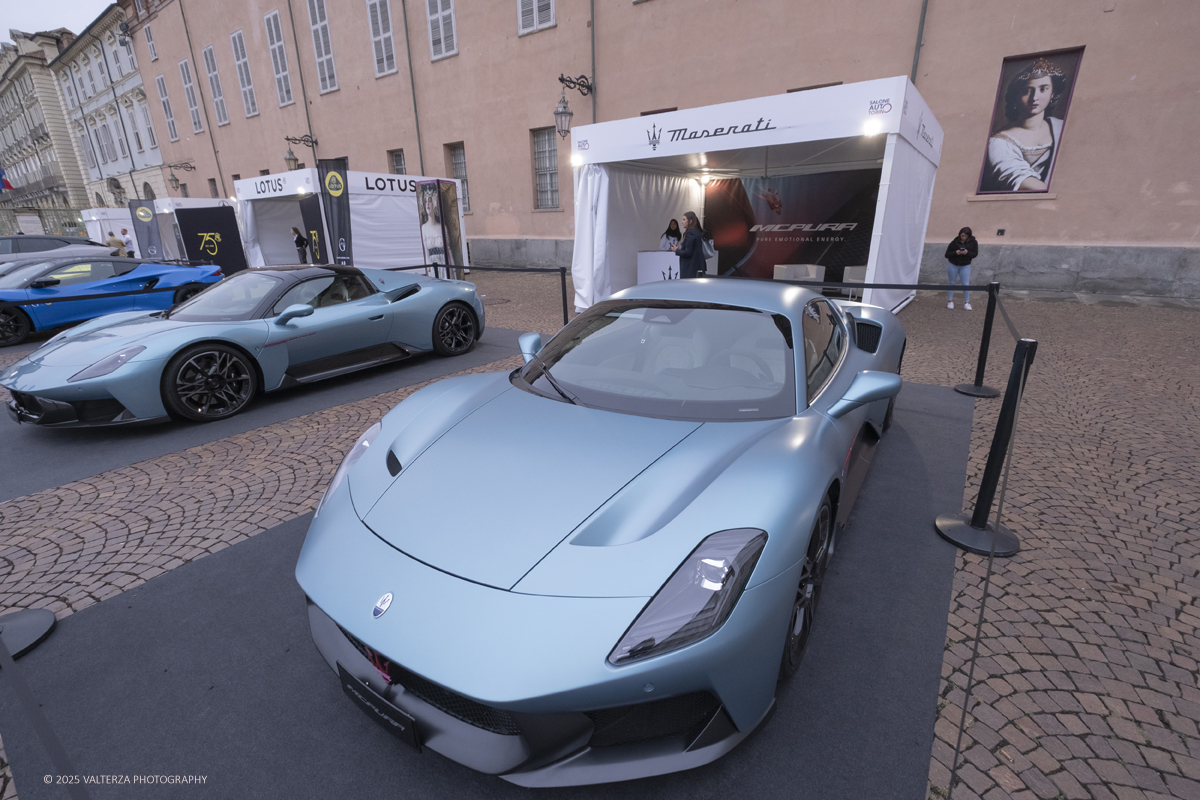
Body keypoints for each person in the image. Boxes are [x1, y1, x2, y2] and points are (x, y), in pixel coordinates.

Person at [981, 58, 1068, 192]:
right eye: (1027, 91)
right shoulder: (998, 142)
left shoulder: (1061, 127)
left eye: (1043, 89)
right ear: (1016, 96)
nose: (1034, 97)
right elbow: (1020, 179)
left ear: (1052, 94)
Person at [944, 226, 978, 310]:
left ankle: (967, 302)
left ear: (969, 236)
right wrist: (956, 253)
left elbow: (975, 254)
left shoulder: (973, 242)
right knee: (951, 283)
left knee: (965, 284)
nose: (963, 237)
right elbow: (947, 254)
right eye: (962, 235)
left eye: (965, 236)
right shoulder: (954, 242)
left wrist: (967, 252)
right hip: (953, 264)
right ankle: (950, 301)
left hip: (965, 265)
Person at [670, 211, 708, 279]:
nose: (682, 222)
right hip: (696, 268)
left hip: (690, 269)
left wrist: (677, 250)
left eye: (684, 220)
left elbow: (688, 253)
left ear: (690, 221)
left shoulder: (691, 233)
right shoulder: (696, 231)